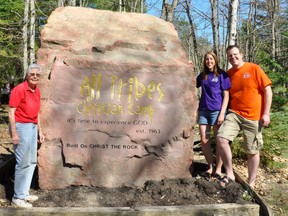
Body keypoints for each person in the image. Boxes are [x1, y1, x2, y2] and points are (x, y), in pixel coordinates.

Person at [216, 45, 273, 188]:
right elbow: (213, 80)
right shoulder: (228, 74)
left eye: (235, 54)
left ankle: (251, 183)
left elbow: (267, 91)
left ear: (241, 54)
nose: (233, 57)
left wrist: (266, 113)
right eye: (230, 56)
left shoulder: (254, 68)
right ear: (227, 58)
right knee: (221, 138)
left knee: (252, 151)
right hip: (235, 113)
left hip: (253, 116)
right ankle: (229, 174)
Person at [9, 63, 45, 208]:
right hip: (21, 127)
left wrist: (40, 131)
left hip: (32, 127)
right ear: (27, 75)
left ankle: (24, 192)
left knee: (31, 161)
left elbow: (36, 113)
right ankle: (17, 198)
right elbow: (11, 112)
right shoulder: (19, 90)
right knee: (22, 162)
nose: (35, 76)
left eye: (37, 74)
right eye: (32, 74)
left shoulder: (36, 91)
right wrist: (14, 133)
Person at [196, 51, 231, 180]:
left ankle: (218, 169)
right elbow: (190, 82)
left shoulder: (222, 75)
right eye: (207, 59)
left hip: (217, 111)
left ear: (215, 60)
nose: (209, 61)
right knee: (204, 141)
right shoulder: (203, 76)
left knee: (219, 141)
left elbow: (226, 95)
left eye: (211, 59)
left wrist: (222, 113)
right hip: (204, 111)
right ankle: (210, 166)